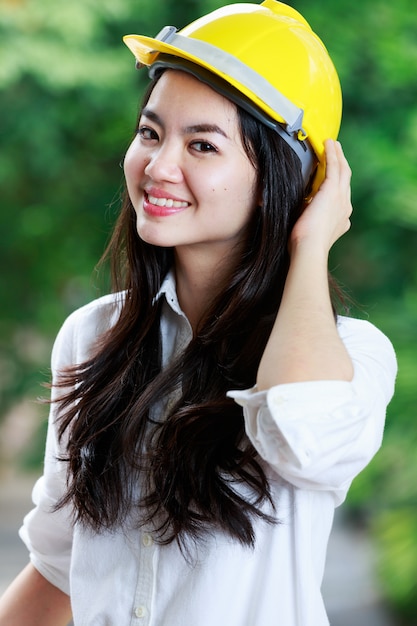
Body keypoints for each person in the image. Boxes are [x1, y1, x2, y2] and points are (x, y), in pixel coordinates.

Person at [0, 1, 397, 625]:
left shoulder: (353, 356)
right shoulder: (92, 336)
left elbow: (303, 438)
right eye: (150, 133)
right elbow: (58, 569)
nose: (158, 166)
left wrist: (311, 243)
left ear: (285, 179)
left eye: (203, 145)